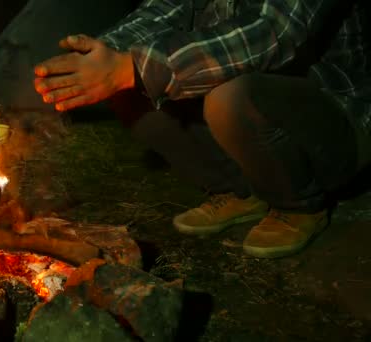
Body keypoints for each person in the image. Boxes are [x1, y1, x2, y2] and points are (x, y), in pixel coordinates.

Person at [32, 0, 371, 258]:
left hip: (336, 124)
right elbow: (163, 11)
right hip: (258, 110)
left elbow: (271, 34)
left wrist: (131, 67)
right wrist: (100, 58)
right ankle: (243, 191)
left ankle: (298, 205)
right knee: (127, 87)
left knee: (228, 97)